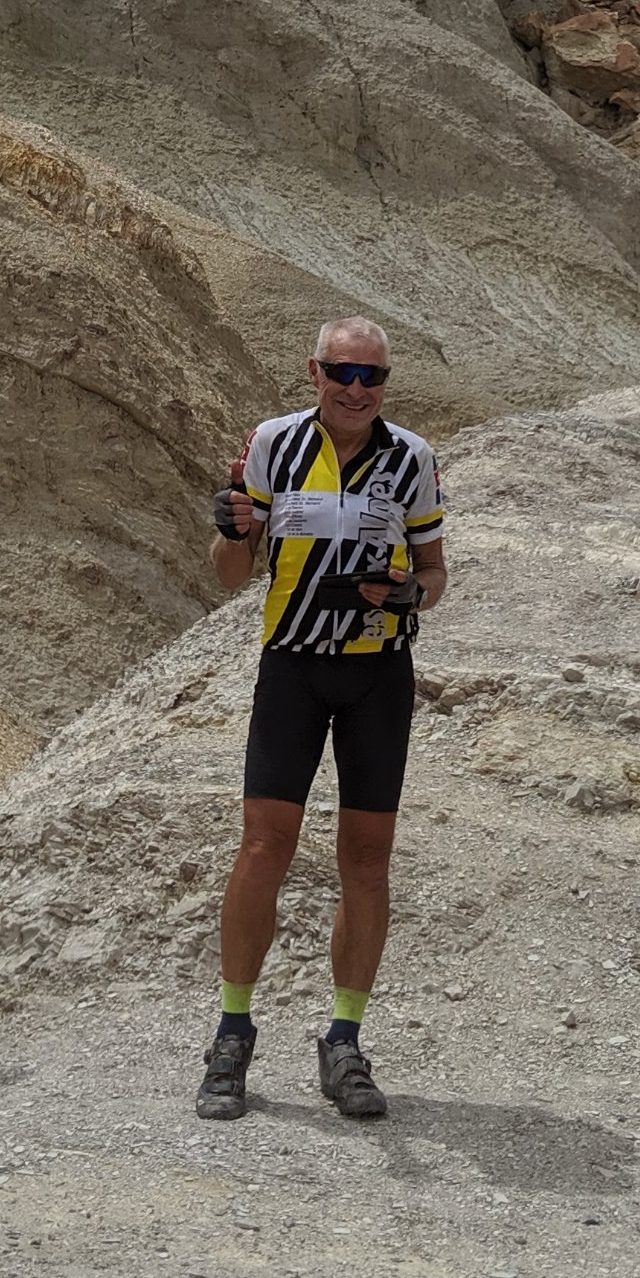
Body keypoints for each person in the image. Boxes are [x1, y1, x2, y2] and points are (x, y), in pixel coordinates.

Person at [195, 315, 447, 1125]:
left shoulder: (412, 458)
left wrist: (408, 594)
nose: (356, 389)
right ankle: (232, 1033)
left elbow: (435, 572)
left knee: (366, 860)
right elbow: (231, 573)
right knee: (263, 847)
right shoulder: (273, 443)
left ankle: (345, 1040)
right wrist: (232, 531)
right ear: (315, 373)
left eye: (372, 376)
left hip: (378, 672)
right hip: (293, 667)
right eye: (342, 372)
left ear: (386, 383)